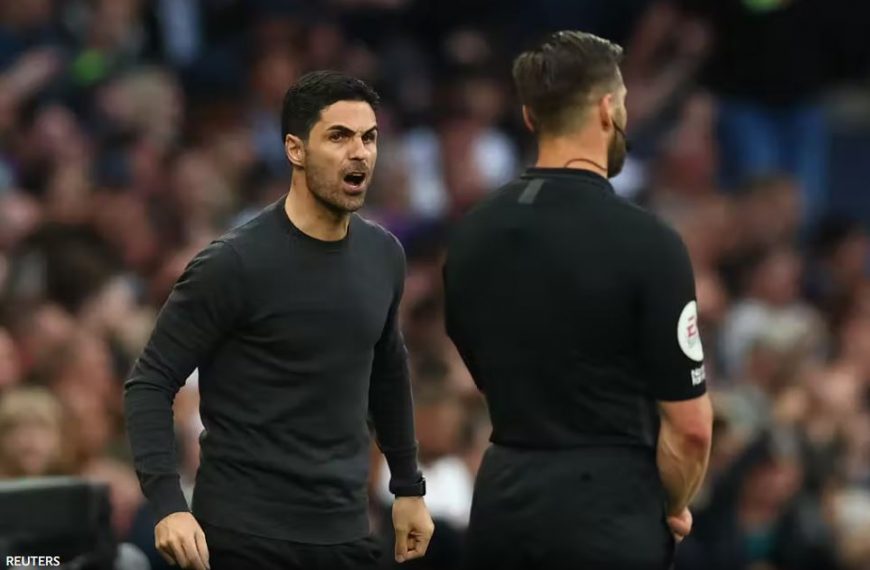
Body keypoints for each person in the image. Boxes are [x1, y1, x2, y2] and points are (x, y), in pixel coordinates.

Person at [124, 70, 434, 570]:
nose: (360, 152)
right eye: (339, 136)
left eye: (369, 137)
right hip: (245, 536)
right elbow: (150, 382)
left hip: (345, 531)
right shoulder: (233, 263)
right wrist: (167, 507)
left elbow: (388, 371)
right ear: (295, 149)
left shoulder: (384, 255)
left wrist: (407, 487)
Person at [443, 31, 713, 570]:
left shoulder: (470, 235)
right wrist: (673, 504)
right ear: (608, 109)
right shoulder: (648, 242)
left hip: (503, 499)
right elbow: (691, 428)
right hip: (609, 509)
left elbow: (478, 364)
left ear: (528, 116)